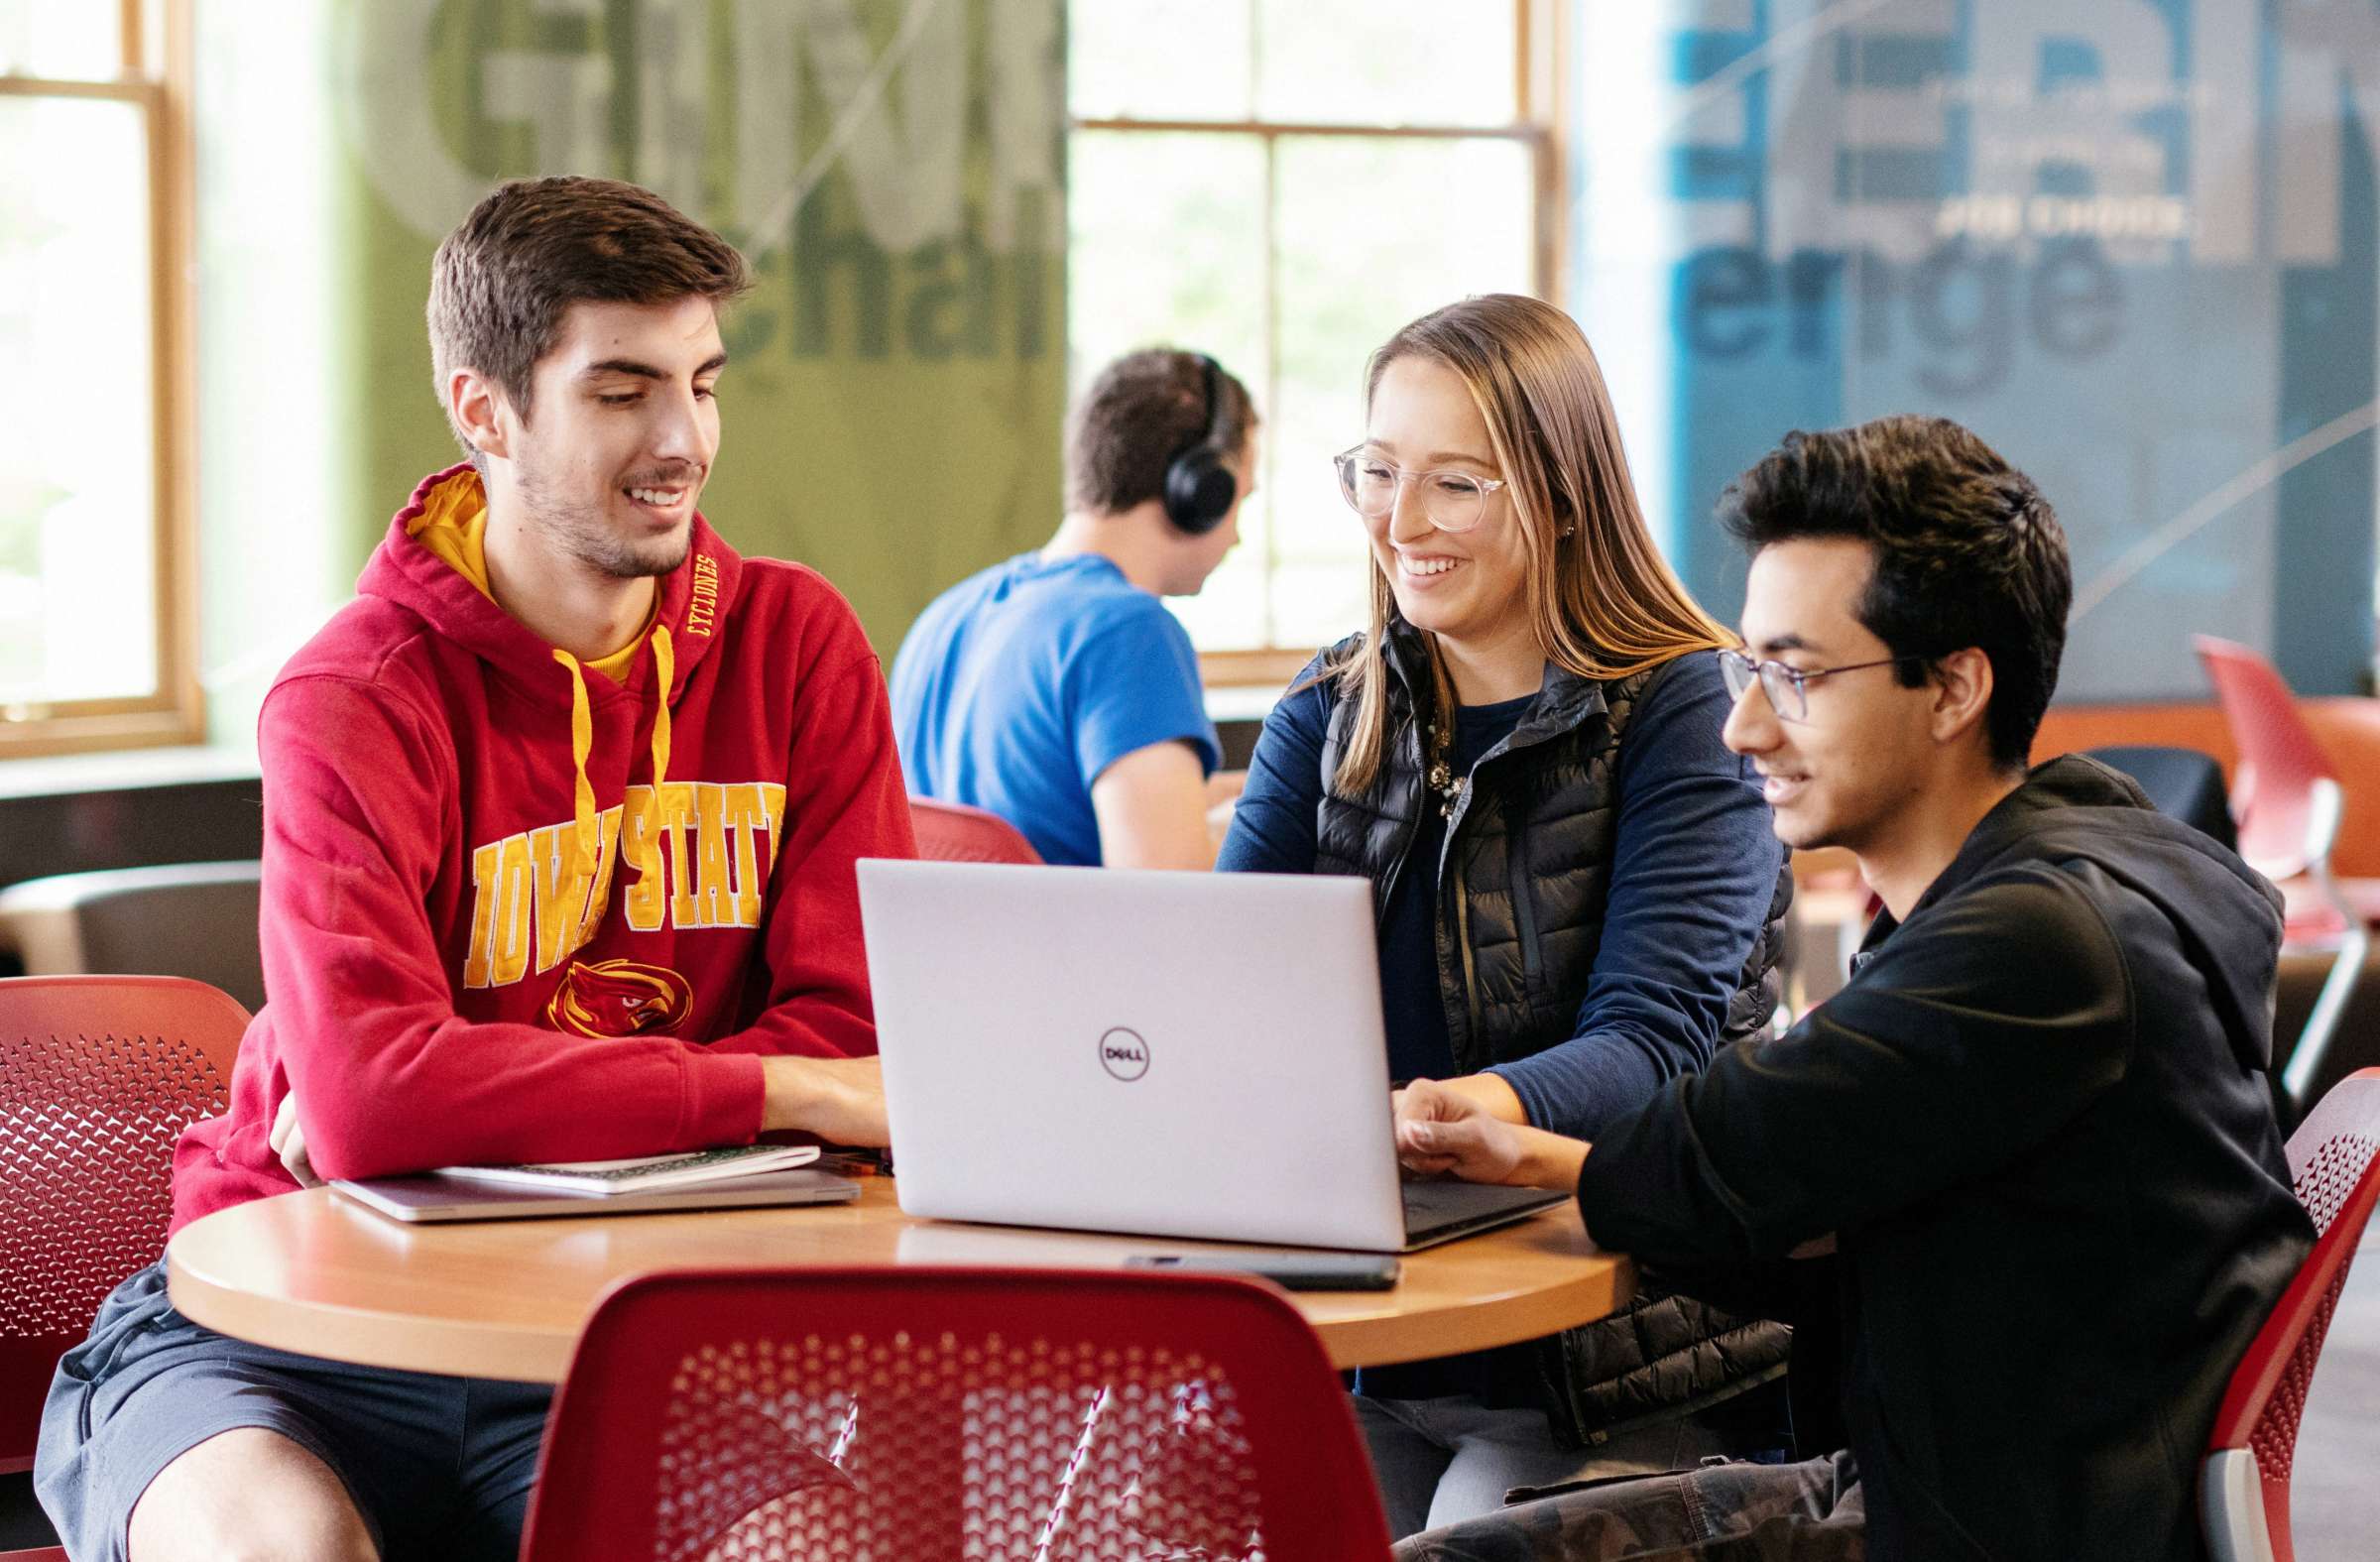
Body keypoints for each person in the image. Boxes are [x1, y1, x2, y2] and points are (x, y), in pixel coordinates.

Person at [33, 176, 911, 1562]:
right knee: (283, 1551)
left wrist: (467, 1096)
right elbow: (374, 1097)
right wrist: (769, 1086)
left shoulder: (795, 645)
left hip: (613, 1336)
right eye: (622, 390)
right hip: (272, 1330)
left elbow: (862, 1040)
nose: (684, 439)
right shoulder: (353, 691)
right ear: (485, 410)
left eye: (702, 381)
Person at [1391, 415, 2315, 1562]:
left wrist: (1527, 1147)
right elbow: (1768, 1160)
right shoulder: (2093, 859)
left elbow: (1720, 1154)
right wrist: (1526, 1151)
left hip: (1978, 1526)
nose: (1743, 725)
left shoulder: (2033, 941)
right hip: (1980, 1478)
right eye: (1747, 666)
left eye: (1795, 674)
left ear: (1953, 689)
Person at [1217, 295, 1794, 1537]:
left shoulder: (1686, 712)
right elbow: (1223, 1000)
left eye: (1456, 485)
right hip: (1366, 1323)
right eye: (1378, 472)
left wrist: (1453, 1113)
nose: (1401, 522)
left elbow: (1656, 1049)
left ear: (1563, 493)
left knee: (1466, 1545)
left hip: (1594, 1352)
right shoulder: (1329, 711)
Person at [889, 348, 1251, 867]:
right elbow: (1166, 893)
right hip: (1076, 950)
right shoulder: (1130, 633)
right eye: (1242, 499)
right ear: (1200, 489)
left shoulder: (947, 617)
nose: (1238, 534)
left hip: (942, 950)